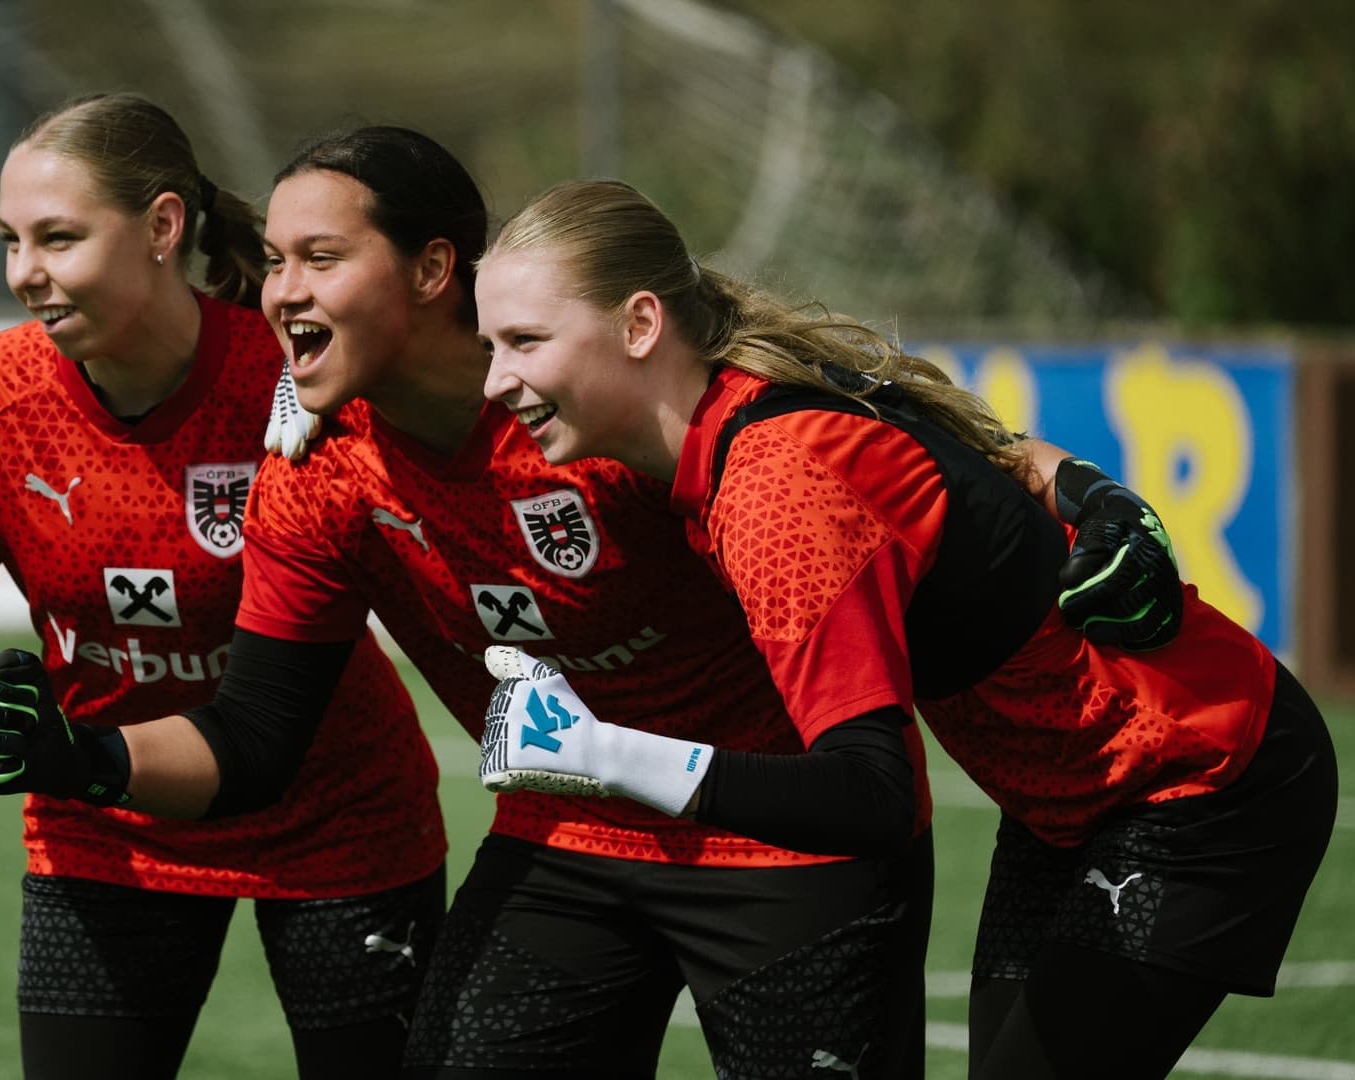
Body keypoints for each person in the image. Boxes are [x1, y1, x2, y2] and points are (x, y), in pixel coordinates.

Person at [0, 126, 1172, 1078]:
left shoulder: (605, 391)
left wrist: (1089, 492)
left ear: (434, 271)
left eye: (321, 259)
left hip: (785, 832)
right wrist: (82, 754)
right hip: (565, 839)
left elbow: (892, 427)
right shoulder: (315, 476)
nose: (280, 292)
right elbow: (255, 741)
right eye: (274, 260)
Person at [472, 178, 1339, 1079]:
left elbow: (870, 795)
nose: (497, 379)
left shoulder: (775, 480)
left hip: (1203, 780)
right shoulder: (744, 404)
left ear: (641, 325)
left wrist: (602, 754)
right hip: (1064, 803)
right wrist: (1103, 495)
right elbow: (1005, 455)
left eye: (526, 342)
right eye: (491, 344)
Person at [0, 94, 448, 1080]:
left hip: (340, 821)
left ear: (163, 227)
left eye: (58, 238)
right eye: (10, 241)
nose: (23, 273)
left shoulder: (292, 380)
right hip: (101, 816)